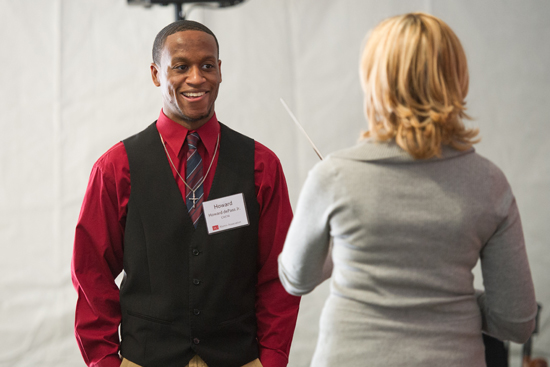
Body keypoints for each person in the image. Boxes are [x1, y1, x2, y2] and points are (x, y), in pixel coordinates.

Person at [278, 12, 537, 367]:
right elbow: (517, 322)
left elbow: (295, 278)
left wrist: (347, 247)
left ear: (374, 82)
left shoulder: (333, 177)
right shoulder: (490, 183)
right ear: (456, 79)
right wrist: (448, 299)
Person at [72, 20, 300, 367]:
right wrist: (104, 362)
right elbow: (91, 273)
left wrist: (271, 361)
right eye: (181, 67)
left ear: (220, 71)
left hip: (239, 358)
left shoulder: (261, 166)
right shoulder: (117, 168)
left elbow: (279, 274)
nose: (196, 78)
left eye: (207, 65)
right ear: (156, 74)